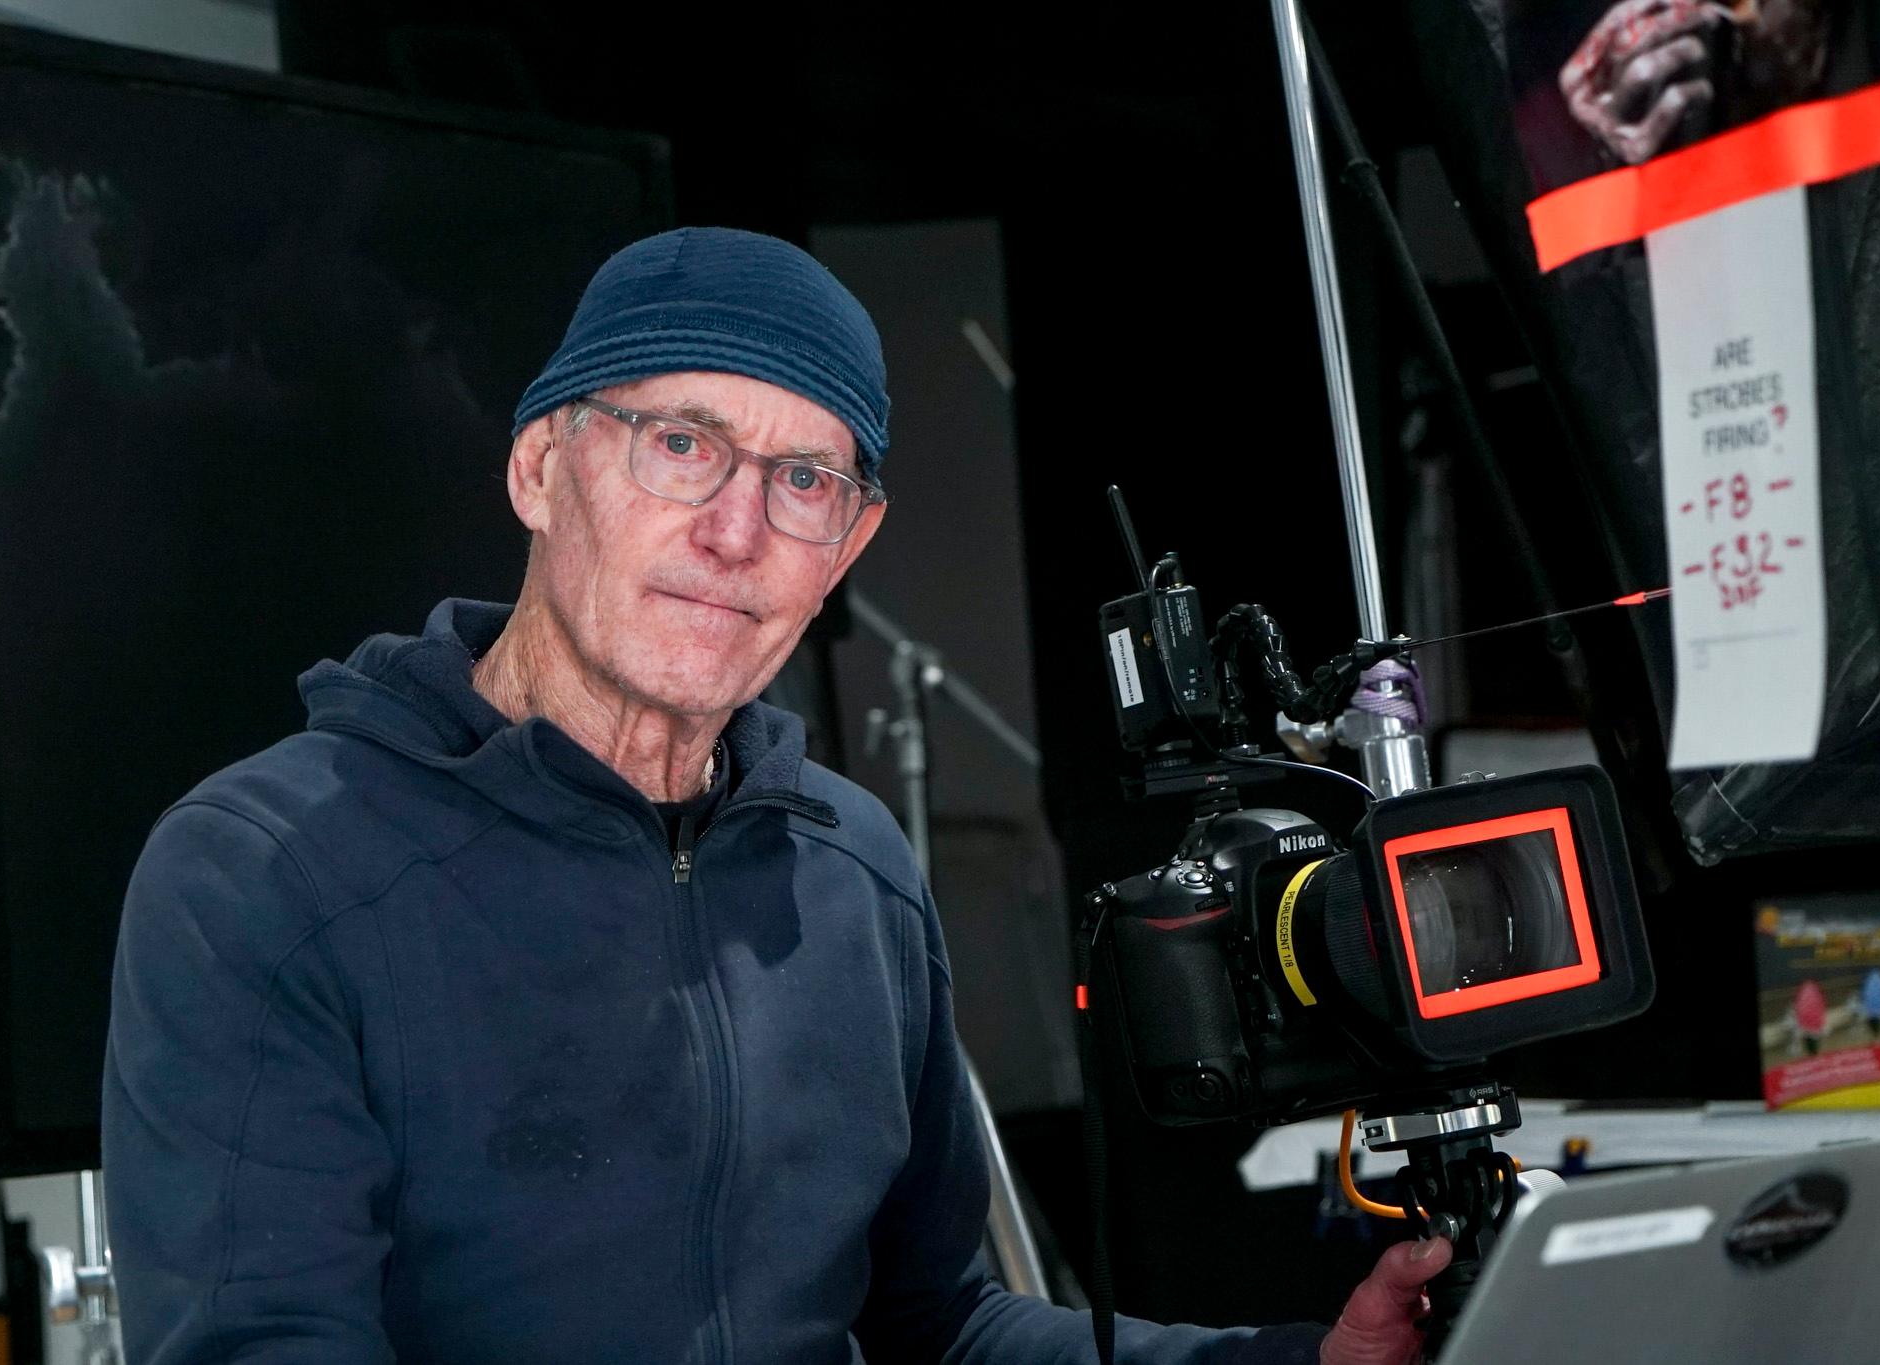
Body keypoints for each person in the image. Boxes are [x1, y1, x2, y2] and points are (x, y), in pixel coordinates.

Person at [102, 226, 1450, 1364]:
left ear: (846, 545)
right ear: (540, 467)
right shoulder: (264, 873)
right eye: (681, 444)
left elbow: (941, 1328)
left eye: (804, 479)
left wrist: (1293, 1364)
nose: (736, 533)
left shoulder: (853, 870)